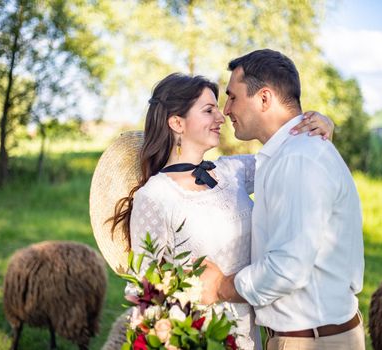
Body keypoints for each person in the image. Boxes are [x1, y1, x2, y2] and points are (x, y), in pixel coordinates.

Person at [110, 72, 334, 350]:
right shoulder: (155, 196)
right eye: (208, 110)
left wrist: (321, 124)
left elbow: (287, 157)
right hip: (197, 339)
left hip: (251, 334)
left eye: (218, 107)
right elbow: (145, 288)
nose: (221, 116)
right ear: (177, 122)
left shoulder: (233, 171)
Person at [199, 49, 365, 350]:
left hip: (313, 341)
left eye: (232, 97)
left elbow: (287, 267)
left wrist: (221, 286)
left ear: (264, 99)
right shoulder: (291, 153)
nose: (225, 109)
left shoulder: (299, 159)